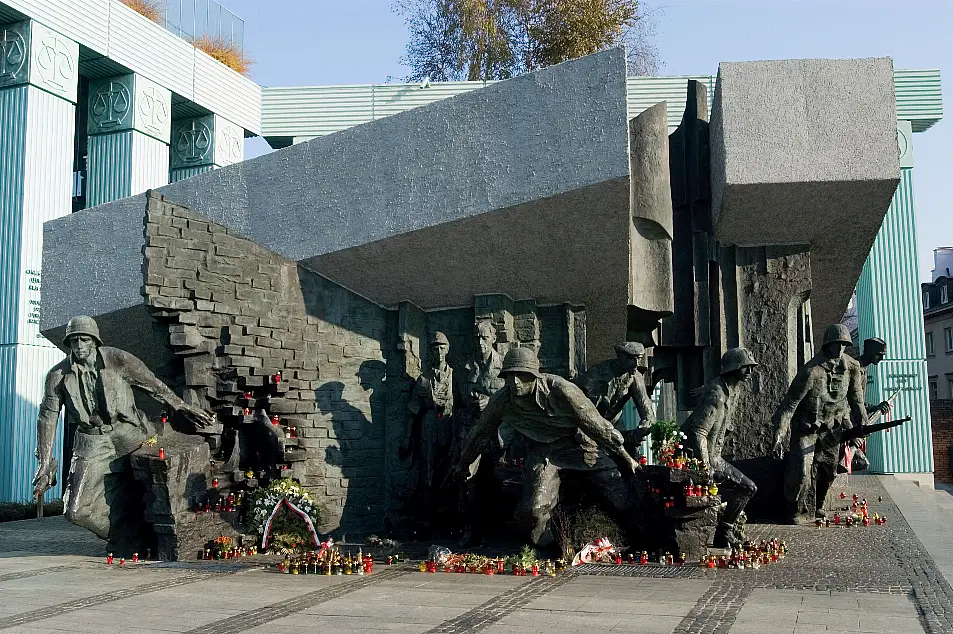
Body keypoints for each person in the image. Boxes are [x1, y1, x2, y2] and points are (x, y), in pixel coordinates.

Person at [32, 316, 215, 550]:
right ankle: (127, 535)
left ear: (95, 341)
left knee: (150, 483)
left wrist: (180, 405)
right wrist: (45, 462)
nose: (79, 346)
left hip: (127, 431)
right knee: (75, 510)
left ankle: (155, 536)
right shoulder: (57, 375)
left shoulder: (117, 359)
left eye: (84, 339)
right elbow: (47, 416)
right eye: (74, 340)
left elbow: (152, 385)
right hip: (92, 440)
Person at [450, 347, 640, 547]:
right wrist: (463, 464)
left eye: (521, 375)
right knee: (532, 510)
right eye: (510, 375)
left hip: (580, 445)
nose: (515, 382)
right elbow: (480, 435)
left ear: (534, 376)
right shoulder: (501, 401)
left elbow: (599, 426)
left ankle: (631, 539)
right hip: (544, 452)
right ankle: (548, 546)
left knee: (619, 495)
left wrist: (627, 459)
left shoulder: (562, 391)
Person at [772, 324, 866, 524]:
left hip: (833, 430)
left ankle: (819, 505)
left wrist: (861, 427)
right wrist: (778, 437)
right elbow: (788, 406)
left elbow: (856, 401)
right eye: (837, 344)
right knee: (802, 473)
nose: (840, 349)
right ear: (827, 345)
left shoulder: (852, 367)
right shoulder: (811, 371)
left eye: (844, 344)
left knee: (829, 471)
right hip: (807, 428)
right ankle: (795, 509)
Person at [681, 347, 759, 547]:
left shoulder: (729, 390)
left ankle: (725, 531)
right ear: (733, 368)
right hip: (697, 458)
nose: (750, 372)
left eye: (751, 368)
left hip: (714, 456)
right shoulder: (717, 394)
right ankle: (723, 532)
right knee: (747, 487)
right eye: (745, 368)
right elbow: (698, 433)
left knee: (748, 487)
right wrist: (705, 468)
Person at [452, 321, 505, 546]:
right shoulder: (464, 369)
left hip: (498, 432)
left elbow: (512, 401)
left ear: (493, 338)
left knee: (500, 479)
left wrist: (489, 403)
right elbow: (456, 406)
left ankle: (499, 530)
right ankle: (470, 529)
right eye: (477, 338)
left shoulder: (504, 366)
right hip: (472, 432)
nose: (480, 342)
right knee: (468, 480)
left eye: (484, 338)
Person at [576, 341, 656, 456]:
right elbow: (583, 412)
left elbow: (645, 405)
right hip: (588, 428)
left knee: (632, 457)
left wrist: (644, 426)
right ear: (620, 357)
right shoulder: (595, 375)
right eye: (631, 359)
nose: (636, 363)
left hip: (615, 426)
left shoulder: (634, 376)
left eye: (639, 359)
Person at [405, 332, 455, 495]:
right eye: (435, 349)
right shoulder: (423, 379)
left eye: (442, 348)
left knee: (451, 462)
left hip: (450, 424)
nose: (439, 352)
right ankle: (428, 505)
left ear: (447, 349)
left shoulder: (455, 376)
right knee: (428, 465)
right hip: (429, 426)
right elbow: (413, 410)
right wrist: (406, 438)